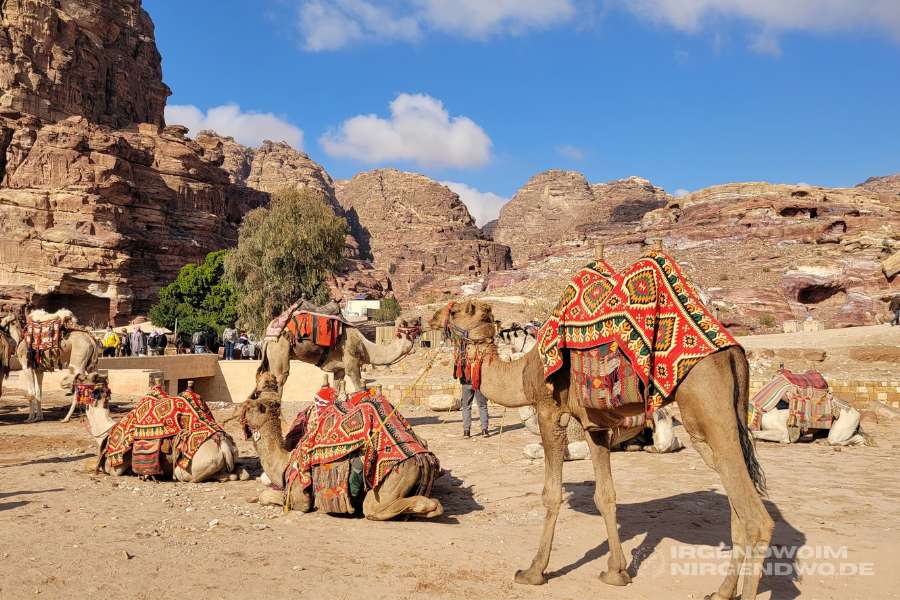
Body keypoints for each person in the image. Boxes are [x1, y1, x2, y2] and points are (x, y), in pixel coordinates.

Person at [459, 370, 489, 438]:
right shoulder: (480, 358)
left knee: (466, 407)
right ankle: (484, 430)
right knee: (482, 406)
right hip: (478, 382)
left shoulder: (462, 358)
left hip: (466, 383)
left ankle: (466, 432)